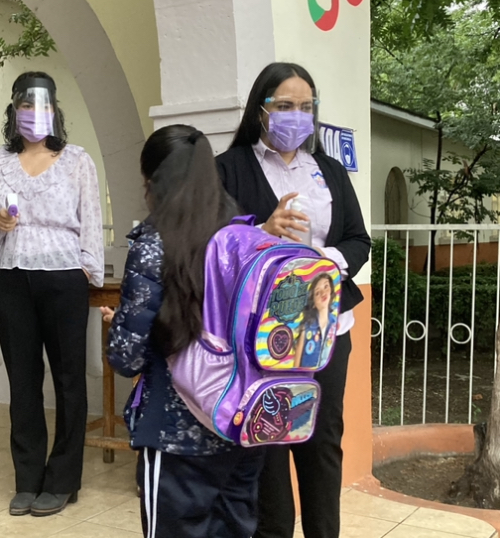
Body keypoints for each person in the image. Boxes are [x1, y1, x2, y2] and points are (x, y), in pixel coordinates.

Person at [216, 62, 370, 538]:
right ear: (260, 110)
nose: (296, 116)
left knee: (322, 440)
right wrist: (263, 231)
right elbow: (215, 247)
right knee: (268, 441)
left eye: (306, 107)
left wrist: (323, 262)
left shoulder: (328, 171)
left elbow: (358, 240)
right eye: (284, 105)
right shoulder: (228, 168)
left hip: (326, 329)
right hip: (262, 333)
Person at [101, 124, 265, 538]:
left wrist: (121, 323)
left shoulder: (153, 244)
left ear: (152, 181)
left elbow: (126, 357)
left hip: (176, 438)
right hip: (241, 426)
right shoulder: (244, 237)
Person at [0, 71, 104, 517]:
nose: (34, 113)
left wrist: (88, 272)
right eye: (26, 105)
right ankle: (27, 478)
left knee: (69, 379)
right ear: (14, 109)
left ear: (55, 109)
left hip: (64, 276)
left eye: (42, 104)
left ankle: (63, 479)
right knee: (23, 382)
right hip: (12, 276)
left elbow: (91, 220)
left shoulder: (77, 160)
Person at [294, 274, 336, 369]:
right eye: (317, 293)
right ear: (313, 303)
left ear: (331, 290)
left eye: (326, 286)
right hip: (307, 375)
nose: (323, 293)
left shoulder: (335, 323)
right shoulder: (306, 327)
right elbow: (296, 364)